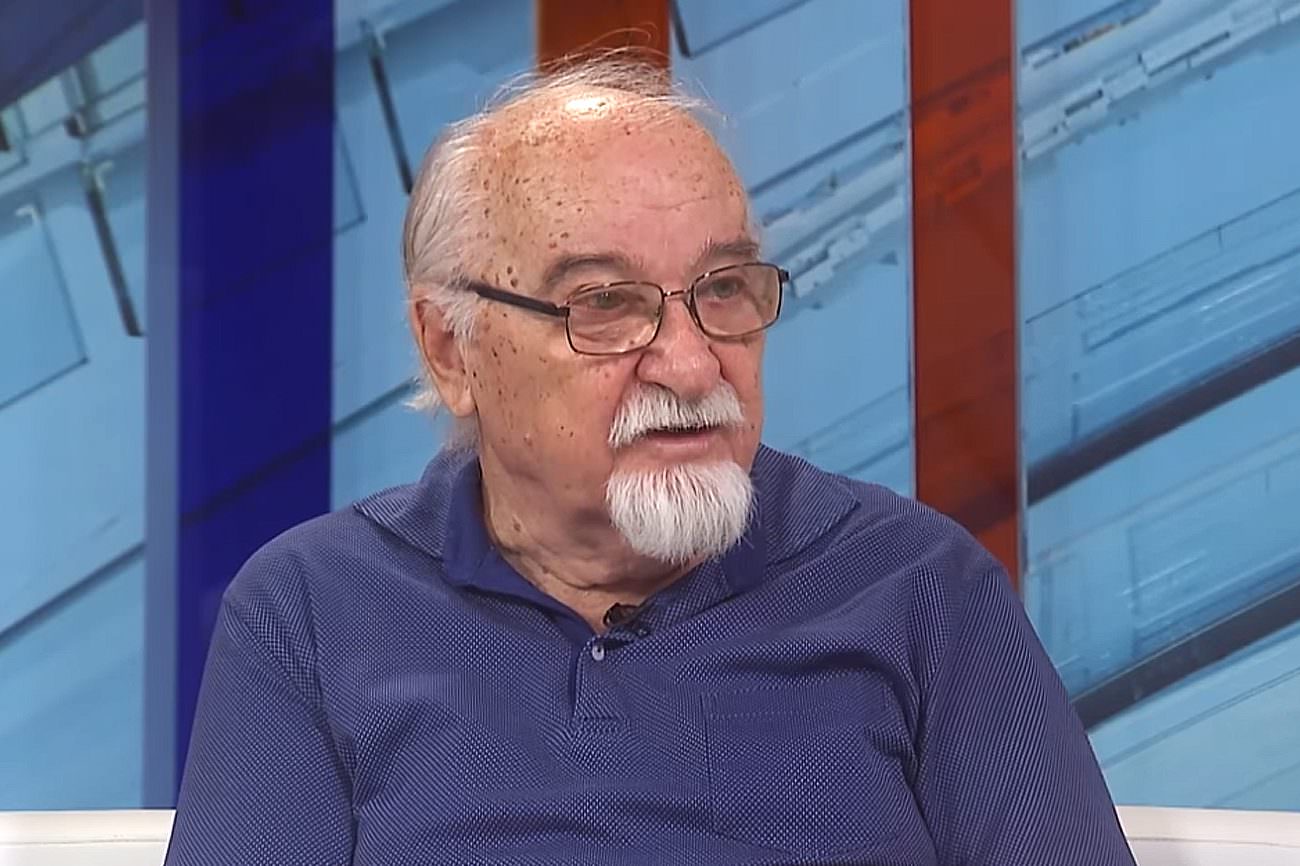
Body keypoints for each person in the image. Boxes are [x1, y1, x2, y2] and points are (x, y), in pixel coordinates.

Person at [164, 57, 1137, 865]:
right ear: (451, 349)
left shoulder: (920, 586)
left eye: (724, 288)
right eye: (603, 303)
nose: (691, 363)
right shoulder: (310, 611)